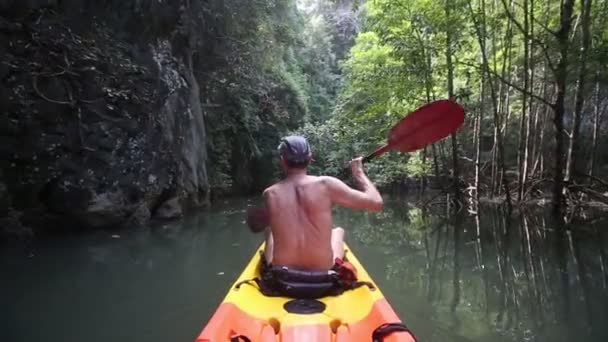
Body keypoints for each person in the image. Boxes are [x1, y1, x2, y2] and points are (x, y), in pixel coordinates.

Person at [246, 135, 383, 298]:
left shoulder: (270, 193)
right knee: (337, 231)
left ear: (282, 161)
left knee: (269, 232)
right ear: (310, 158)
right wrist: (359, 173)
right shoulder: (327, 185)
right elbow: (376, 203)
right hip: (323, 279)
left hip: (283, 280)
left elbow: (255, 225)